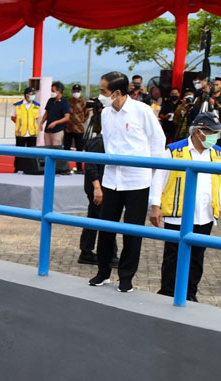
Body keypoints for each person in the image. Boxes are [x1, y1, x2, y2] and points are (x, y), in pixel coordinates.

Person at [90, 71, 168, 293]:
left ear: (117, 92)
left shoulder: (142, 111)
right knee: (105, 228)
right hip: (112, 180)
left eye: (103, 91)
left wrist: (156, 191)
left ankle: (126, 277)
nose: (100, 95)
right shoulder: (105, 113)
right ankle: (102, 271)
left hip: (137, 182)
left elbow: (158, 145)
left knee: (132, 232)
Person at [149, 112, 221, 302]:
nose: (215, 137)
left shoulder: (218, 153)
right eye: (211, 132)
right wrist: (155, 205)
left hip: (204, 213)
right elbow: (159, 178)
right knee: (173, 255)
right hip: (177, 213)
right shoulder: (175, 150)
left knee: (197, 256)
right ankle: (168, 292)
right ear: (198, 132)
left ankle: (190, 294)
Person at [77, 100, 117, 266]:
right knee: (105, 220)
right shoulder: (100, 142)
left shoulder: (101, 141)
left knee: (94, 217)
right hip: (97, 186)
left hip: (97, 185)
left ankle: (87, 251)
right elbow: (91, 166)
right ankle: (110, 254)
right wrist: (97, 188)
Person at [11, 87, 40, 172]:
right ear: (25, 95)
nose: (32, 96)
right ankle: (18, 168)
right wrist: (21, 124)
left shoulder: (37, 106)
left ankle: (30, 168)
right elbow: (13, 117)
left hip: (32, 132)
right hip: (21, 132)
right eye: (30, 94)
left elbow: (37, 117)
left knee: (32, 152)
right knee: (19, 152)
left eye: (33, 94)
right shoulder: (17, 105)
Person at [64, 84, 89, 172]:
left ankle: (79, 168)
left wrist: (80, 121)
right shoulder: (68, 102)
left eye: (77, 91)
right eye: (74, 91)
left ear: (80, 92)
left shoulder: (84, 102)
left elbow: (86, 114)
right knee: (66, 148)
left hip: (79, 129)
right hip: (68, 128)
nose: (76, 93)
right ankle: (65, 167)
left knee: (79, 149)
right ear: (72, 92)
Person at [40, 81, 69, 150]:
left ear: (59, 91)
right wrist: (41, 122)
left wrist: (56, 122)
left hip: (58, 130)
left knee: (56, 149)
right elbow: (46, 113)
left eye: (53, 91)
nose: (52, 93)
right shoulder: (50, 100)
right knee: (47, 148)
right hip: (48, 129)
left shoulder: (64, 102)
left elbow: (67, 117)